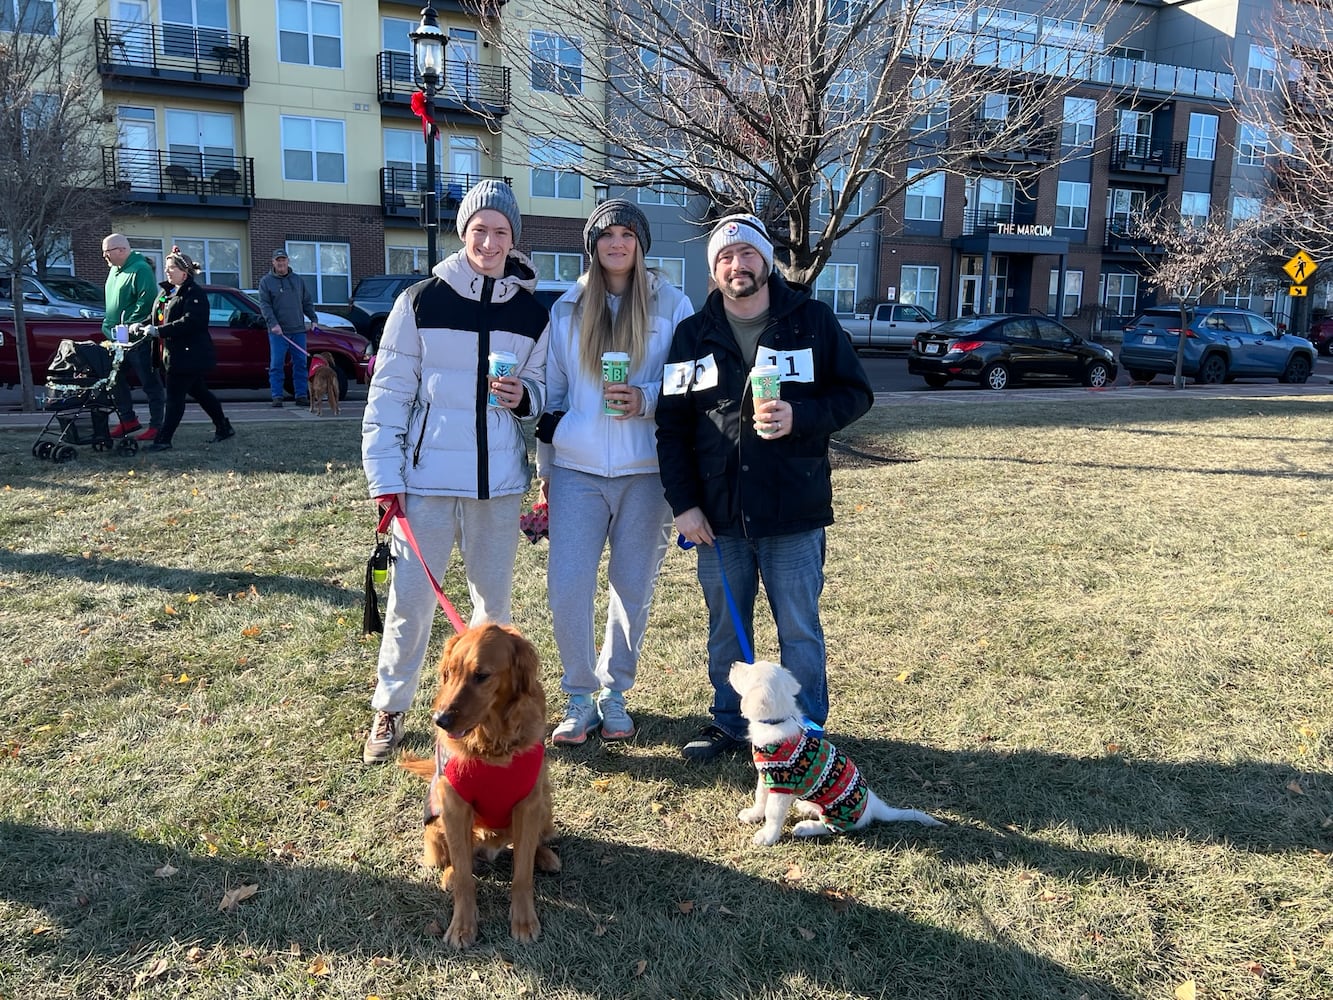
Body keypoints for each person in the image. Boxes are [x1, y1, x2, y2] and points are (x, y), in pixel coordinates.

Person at [655, 214, 874, 762]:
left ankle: (806, 732)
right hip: (717, 517)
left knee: (799, 629)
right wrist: (683, 505)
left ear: (765, 259)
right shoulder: (692, 335)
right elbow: (671, 427)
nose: (737, 265)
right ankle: (731, 724)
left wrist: (801, 416)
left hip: (792, 511)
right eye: (725, 258)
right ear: (714, 270)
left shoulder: (811, 321)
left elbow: (856, 394)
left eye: (746, 253)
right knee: (727, 633)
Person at [361, 179, 548, 764]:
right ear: (463, 232)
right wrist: (384, 477)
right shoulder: (420, 300)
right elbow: (389, 392)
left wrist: (525, 397)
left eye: (500, 231)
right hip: (425, 485)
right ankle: (389, 709)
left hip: (498, 487)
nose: (489, 241)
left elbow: (546, 391)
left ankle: (489, 719)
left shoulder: (530, 311)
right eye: (479, 229)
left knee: (493, 615)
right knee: (411, 604)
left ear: (513, 238)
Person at [538, 200, 693, 745]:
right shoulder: (566, 308)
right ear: (593, 244)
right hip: (577, 470)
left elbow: (689, 381)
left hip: (646, 471)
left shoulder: (672, 304)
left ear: (641, 244)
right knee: (568, 587)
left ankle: (615, 692)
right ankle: (579, 696)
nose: (617, 243)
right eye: (607, 235)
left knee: (632, 589)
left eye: (628, 234)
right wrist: (546, 468)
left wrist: (646, 399)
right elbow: (553, 397)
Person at [141, 247, 235, 453]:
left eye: (172, 268)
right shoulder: (167, 292)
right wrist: (141, 325)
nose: (167, 272)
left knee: (174, 399)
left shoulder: (194, 294)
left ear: (185, 272)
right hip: (171, 354)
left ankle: (163, 439)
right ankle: (224, 426)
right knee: (200, 392)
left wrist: (158, 331)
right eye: (166, 268)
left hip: (188, 355)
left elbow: (191, 322)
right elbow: (159, 316)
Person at [101, 233, 165, 442]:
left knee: (150, 383)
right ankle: (128, 420)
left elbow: (145, 303)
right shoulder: (114, 271)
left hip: (139, 341)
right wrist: (109, 325)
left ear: (121, 250)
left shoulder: (141, 269)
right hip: (116, 338)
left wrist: (128, 326)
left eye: (107, 252)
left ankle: (157, 426)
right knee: (114, 380)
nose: (105, 257)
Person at [257, 248, 318, 408]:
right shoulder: (266, 282)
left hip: (298, 330)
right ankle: (277, 396)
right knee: (276, 365)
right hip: (279, 333)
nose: (281, 263)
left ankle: (301, 395)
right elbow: (265, 305)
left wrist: (313, 319)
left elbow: (307, 301)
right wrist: (273, 324)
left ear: (288, 261)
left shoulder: (298, 281)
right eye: (278, 260)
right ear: (273, 262)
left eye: (283, 260)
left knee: (301, 364)